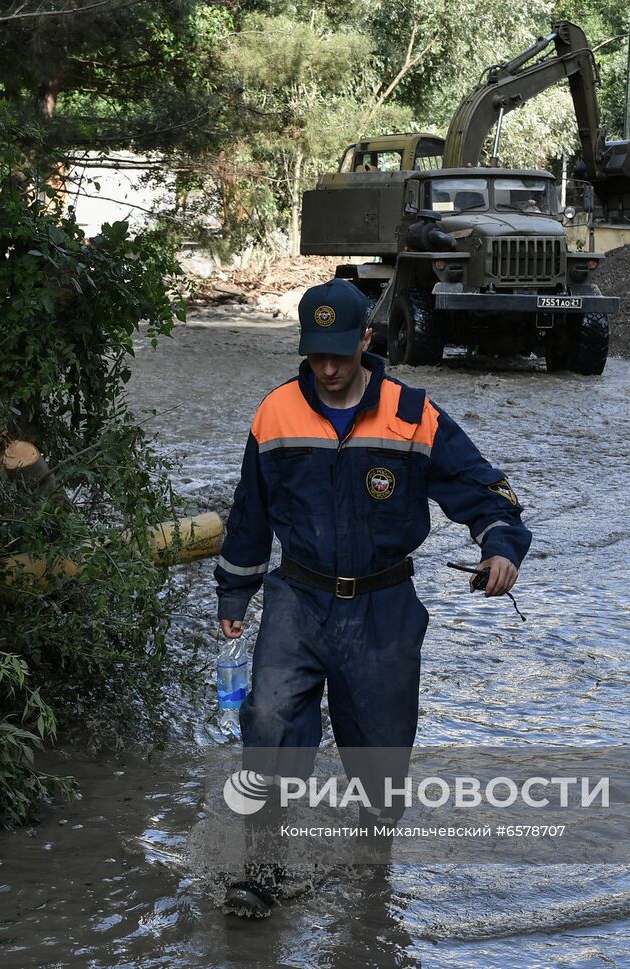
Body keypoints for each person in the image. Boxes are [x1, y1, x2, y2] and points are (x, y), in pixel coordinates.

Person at [214, 278, 531, 916]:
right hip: (297, 599)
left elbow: (482, 487)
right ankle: (262, 871)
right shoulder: (275, 412)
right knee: (270, 722)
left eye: (339, 352)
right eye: (315, 354)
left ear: (366, 339)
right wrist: (235, 594)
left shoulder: (413, 414)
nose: (327, 368)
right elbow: (249, 513)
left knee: (381, 754)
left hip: (383, 608)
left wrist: (500, 545)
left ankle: (371, 874)